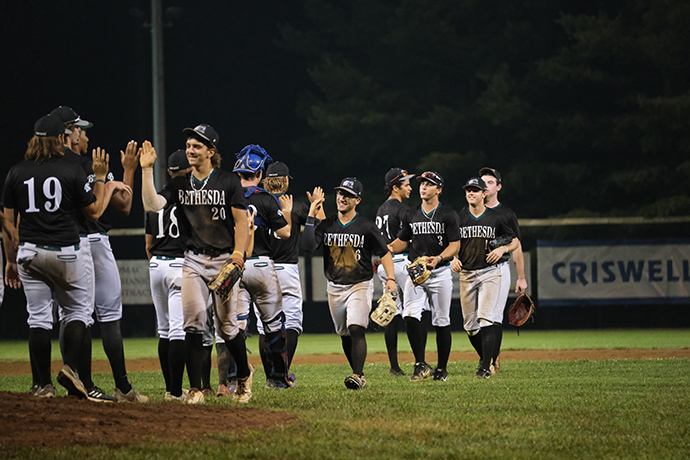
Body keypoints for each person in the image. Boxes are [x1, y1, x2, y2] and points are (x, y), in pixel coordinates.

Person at [1, 114, 129, 398]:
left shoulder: (16, 172)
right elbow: (94, 212)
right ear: (61, 139)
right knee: (78, 313)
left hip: (29, 253)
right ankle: (71, 368)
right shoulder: (71, 169)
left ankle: (41, 385)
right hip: (65, 253)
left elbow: (9, 225)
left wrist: (10, 261)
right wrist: (101, 180)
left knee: (38, 319)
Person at [140, 124, 253, 404]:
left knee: (227, 329)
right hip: (192, 260)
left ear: (210, 152)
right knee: (193, 323)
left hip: (225, 259)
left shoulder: (228, 181)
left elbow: (241, 222)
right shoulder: (180, 184)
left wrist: (239, 255)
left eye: (197, 146)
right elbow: (153, 204)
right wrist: (145, 171)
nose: (190, 150)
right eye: (189, 145)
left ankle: (243, 377)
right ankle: (194, 389)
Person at [50, 106, 146, 403]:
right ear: (68, 133)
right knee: (87, 315)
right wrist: (105, 182)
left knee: (90, 315)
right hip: (80, 243)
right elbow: (95, 210)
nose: (86, 136)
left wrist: (127, 171)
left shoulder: (87, 165)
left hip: (81, 243)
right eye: (81, 130)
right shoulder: (80, 167)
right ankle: (91, 384)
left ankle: (110, 385)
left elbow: (126, 205)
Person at [303, 177, 397, 390]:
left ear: (358, 200)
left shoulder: (366, 226)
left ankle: (357, 374)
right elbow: (308, 245)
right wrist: (311, 213)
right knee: (344, 333)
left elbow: (384, 253)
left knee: (356, 327)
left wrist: (390, 279)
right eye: (340, 193)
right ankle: (358, 372)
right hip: (334, 286)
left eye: (348, 195)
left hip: (360, 284)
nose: (342, 197)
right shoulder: (326, 224)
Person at [387, 171, 460, 382]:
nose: (423, 187)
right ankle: (420, 364)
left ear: (439, 189)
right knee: (409, 315)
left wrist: (439, 257)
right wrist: (387, 248)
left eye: (429, 184)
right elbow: (402, 241)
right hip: (416, 271)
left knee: (441, 320)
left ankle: (442, 369)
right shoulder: (412, 213)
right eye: (422, 184)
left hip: (440, 272)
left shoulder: (448, 213)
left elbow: (455, 244)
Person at [233, 145, 293, 390]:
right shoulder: (266, 199)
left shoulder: (229, 196)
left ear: (239, 173)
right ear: (259, 174)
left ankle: (233, 378)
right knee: (273, 325)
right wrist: (285, 213)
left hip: (235, 264)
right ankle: (278, 379)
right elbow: (285, 233)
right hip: (262, 266)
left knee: (235, 326)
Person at [260, 161, 325, 380]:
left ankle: (271, 376)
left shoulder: (256, 204)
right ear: (286, 181)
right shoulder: (296, 207)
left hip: (262, 267)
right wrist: (316, 206)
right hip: (287, 268)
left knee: (264, 326)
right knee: (293, 323)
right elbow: (320, 234)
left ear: (265, 180)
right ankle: (284, 373)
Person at [450, 177, 518, 379]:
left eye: (475, 190)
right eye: (468, 190)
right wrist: (453, 258)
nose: (471, 193)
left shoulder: (496, 217)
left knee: (486, 318)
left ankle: (484, 368)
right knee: (470, 327)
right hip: (467, 274)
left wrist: (503, 249)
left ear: (484, 194)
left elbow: (514, 241)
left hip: (490, 272)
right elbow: (451, 243)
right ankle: (487, 358)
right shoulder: (459, 218)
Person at [145, 149, 192, 402]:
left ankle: (169, 388)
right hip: (179, 265)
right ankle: (175, 392)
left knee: (164, 331)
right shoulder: (187, 196)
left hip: (156, 265)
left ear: (168, 171)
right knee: (177, 332)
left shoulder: (154, 200)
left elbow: (147, 245)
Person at [479, 166, 527, 374]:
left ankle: (491, 360)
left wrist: (521, 277)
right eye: (483, 182)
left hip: (498, 270)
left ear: (498, 186)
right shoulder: (472, 210)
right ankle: (488, 357)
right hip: (474, 272)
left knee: (494, 316)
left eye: (490, 182)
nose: (486, 186)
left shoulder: (506, 214)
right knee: (475, 320)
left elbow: (516, 245)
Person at [374, 167, 417, 377]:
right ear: (395, 187)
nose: (410, 187)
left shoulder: (381, 209)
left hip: (385, 266)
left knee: (392, 312)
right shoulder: (403, 210)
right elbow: (406, 240)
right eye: (406, 184)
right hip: (400, 264)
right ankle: (420, 361)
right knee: (415, 312)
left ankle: (394, 366)